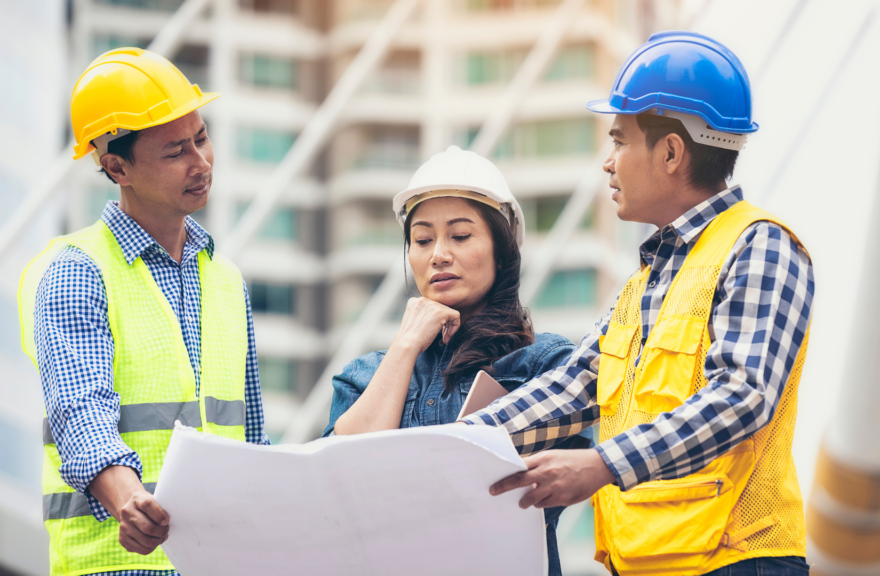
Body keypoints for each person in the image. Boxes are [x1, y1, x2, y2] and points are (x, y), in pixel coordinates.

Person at [462, 32, 816, 576]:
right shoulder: (644, 284)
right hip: (648, 564)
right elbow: (574, 386)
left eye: (620, 141)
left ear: (672, 152)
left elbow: (744, 395)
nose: (608, 163)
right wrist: (450, 446)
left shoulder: (760, 246)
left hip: (737, 561)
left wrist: (602, 464)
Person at [17, 48, 269, 576]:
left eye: (201, 138)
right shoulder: (77, 271)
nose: (200, 163)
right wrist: (130, 501)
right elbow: (80, 411)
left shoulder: (226, 279)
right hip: (113, 565)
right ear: (117, 166)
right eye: (176, 151)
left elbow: (250, 440)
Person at [323, 145, 590, 576]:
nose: (438, 255)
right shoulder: (366, 376)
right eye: (422, 240)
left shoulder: (547, 365)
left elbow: (546, 497)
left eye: (460, 236)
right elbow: (338, 486)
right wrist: (406, 346)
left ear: (502, 251)